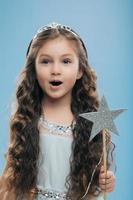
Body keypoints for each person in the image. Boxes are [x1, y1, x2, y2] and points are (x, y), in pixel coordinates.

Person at [0, 22, 115, 200]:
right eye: (45, 61)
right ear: (34, 69)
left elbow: (94, 178)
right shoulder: (27, 119)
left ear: (80, 71)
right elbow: (11, 179)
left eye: (66, 61)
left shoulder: (90, 124)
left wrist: (105, 180)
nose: (55, 70)